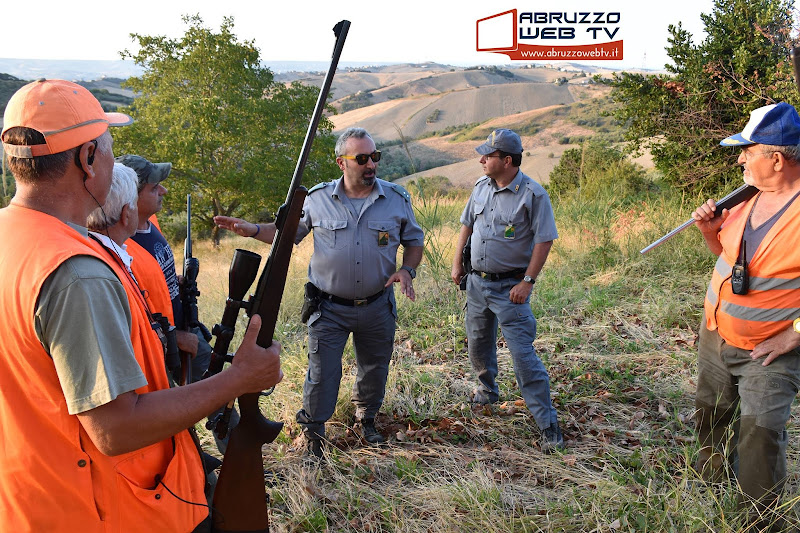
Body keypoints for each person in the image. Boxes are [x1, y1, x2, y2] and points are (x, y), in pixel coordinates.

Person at [0, 78, 283, 532]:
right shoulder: (77, 273)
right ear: (87, 160)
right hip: (109, 512)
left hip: (32, 501)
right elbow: (116, 430)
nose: (113, 159)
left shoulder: (13, 237)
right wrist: (240, 379)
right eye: (108, 147)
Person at [215, 127, 424, 457]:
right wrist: (252, 229)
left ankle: (366, 419)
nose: (371, 164)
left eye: (375, 157)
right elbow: (287, 235)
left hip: (377, 304)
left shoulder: (395, 200)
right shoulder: (317, 199)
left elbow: (414, 242)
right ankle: (313, 432)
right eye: (362, 158)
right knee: (322, 372)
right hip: (329, 308)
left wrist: (406, 270)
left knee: (374, 367)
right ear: (342, 162)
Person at [691, 102, 800, 527]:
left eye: (747, 150)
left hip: (769, 351)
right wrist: (708, 231)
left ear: (776, 158)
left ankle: (760, 520)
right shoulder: (746, 198)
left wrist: (794, 335)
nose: (739, 158)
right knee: (710, 415)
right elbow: (734, 261)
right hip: (717, 334)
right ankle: (709, 492)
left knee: (759, 438)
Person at [451, 128, 563, 453]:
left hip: (510, 288)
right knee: (478, 345)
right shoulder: (480, 187)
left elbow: (545, 239)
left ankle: (547, 423)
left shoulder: (533, 195)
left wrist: (527, 282)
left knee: (523, 357)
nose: (482, 160)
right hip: (476, 284)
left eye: (489, 155)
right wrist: (458, 264)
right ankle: (487, 393)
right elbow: (467, 225)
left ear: (508, 160)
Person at [118, 154, 207, 384]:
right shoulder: (121, 247)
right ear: (131, 198)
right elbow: (131, 316)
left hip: (185, 328)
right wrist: (176, 338)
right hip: (168, 349)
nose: (164, 191)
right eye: (154, 188)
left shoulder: (149, 222)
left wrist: (170, 281)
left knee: (219, 399)